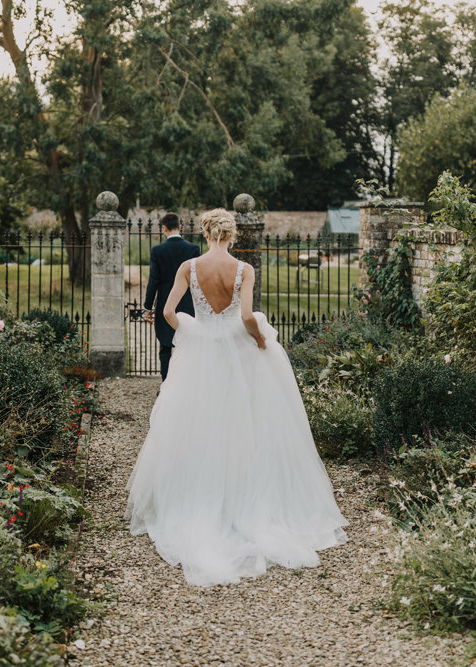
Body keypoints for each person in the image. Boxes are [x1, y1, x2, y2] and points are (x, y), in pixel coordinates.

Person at [125, 208, 348, 586]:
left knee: (199, 420)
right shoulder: (245, 270)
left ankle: (196, 495)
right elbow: (246, 316)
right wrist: (260, 338)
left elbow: (166, 311)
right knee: (243, 418)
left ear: (206, 233)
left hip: (202, 351)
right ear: (232, 235)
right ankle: (243, 492)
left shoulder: (188, 267)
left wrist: (192, 331)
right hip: (236, 349)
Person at [143, 213, 201, 380]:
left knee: (165, 347)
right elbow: (198, 280)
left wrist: (148, 307)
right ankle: (187, 381)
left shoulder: (158, 251)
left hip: (165, 303)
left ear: (164, 229)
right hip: (188, 303)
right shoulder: (193, 249)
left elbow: (153, 281)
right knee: (188, 345)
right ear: (180, 227)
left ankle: (166, 384)